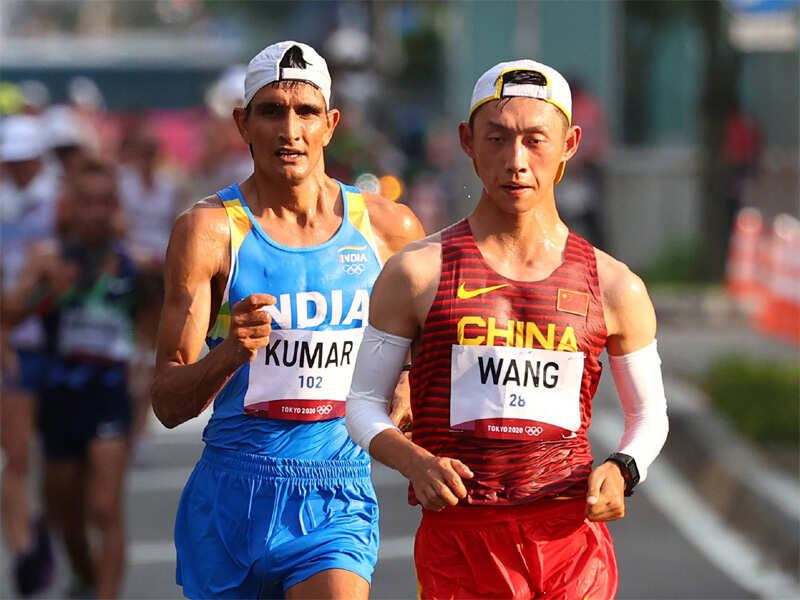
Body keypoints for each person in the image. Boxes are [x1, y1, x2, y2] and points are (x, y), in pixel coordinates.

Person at [346, 59, 670, 599]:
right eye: (497, 139)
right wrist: (415, 463)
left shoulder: (616, 286)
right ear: (467, 142)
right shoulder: (416, 273)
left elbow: (649, 414)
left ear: (569, 144)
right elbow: (361, 403)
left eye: (535, 140)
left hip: (571, 545)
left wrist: (623, 468)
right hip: (460, 542)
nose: (516, 161)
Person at [150, 40, 424, 599]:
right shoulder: (208, 231)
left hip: (335, 496)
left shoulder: (388, 229)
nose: (290, 130)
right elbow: (168, 403)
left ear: (331, 124)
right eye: (272, 111)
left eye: (306, 112)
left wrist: (408, 380)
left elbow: (430, 348)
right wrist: (230, 352)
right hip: (231, 495)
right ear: (243, 124)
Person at [4, 156, 137, 599]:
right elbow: (11, 315)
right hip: (59, 395)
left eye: (105, 202)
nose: (95, 212)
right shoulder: (47, 258)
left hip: (110, 394)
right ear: (70, 205)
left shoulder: (133, 262)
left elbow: (157, 329)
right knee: (66, 513)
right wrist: (46, 294)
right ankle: (84, 577)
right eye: (87, 202)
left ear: (115, 207)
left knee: (104, 508)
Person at [1, 114, 59, 597]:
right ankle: (22, 551)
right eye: (10, 160)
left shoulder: (62, 202)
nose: (17, 168)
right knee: (16, 454)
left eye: (24, 159)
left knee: (60, 461)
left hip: (61, 343)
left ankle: (44, 528)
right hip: (16, 345)